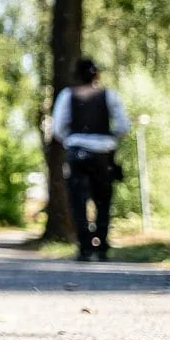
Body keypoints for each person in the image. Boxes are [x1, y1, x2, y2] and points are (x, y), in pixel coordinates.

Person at [52, 57, 130, 261]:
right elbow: (123, 125)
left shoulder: (67, 95)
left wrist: (71, 138)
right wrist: (109, 136)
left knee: (78, 200)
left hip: (77, 152)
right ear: (97, 74)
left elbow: (58, 127)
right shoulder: (108, 95)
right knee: (103, 199)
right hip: (103, 153)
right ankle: (102, 245)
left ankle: (85, 247)